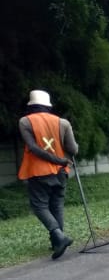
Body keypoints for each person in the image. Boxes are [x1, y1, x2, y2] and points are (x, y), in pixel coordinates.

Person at [17, 89, 79, 259]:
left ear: (32, 106)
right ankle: (57, 240)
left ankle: (58, 237)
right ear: (48, 106)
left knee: (39, 206)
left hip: (38, 172)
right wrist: (60, 160)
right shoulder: (63, 123)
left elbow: (34, 148)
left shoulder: (25, 122)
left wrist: (55, 160)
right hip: (61, 172)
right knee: (56, 205)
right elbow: (73, 149)